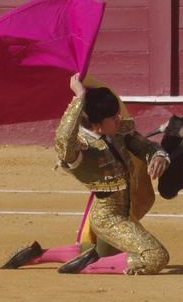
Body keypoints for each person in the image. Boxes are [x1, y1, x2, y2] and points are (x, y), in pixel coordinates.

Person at [48, 73, 170, 275]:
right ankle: (90, 265)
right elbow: (63, 138)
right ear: (96, 125)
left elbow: (146, 146)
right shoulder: (81, 149)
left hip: (130, 209)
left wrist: (158, 156)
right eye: (113, 118)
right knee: (155, 257)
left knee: (134, 251)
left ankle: (92, 256)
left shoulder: (118, 131)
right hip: (109, 218)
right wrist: (79, 97)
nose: (119, 119)